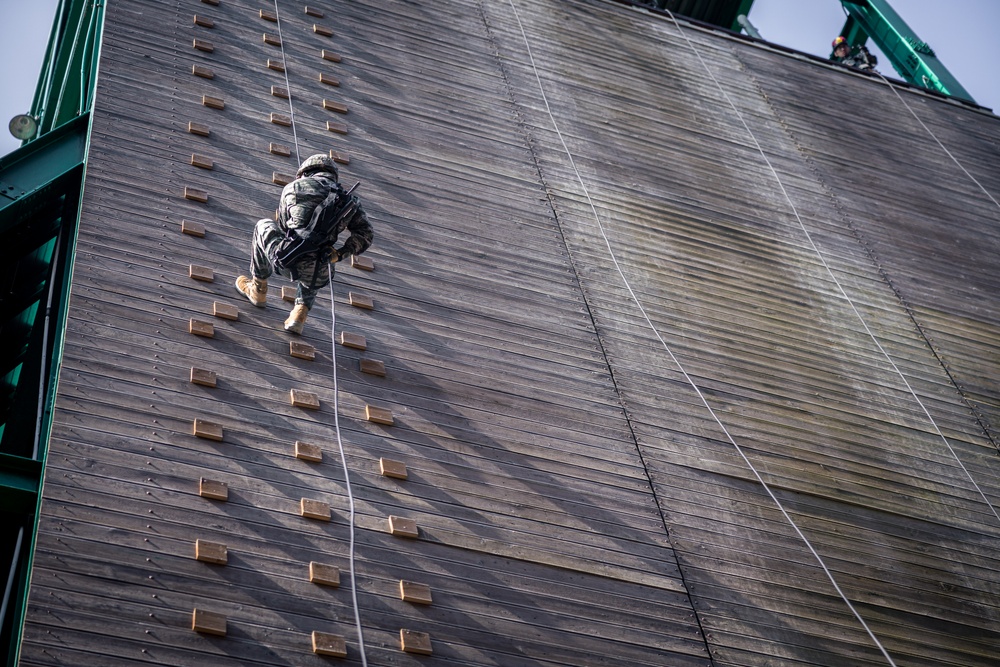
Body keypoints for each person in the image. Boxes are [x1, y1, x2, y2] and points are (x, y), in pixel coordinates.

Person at [235, 154, 373, 334]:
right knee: (319, 254)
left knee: (263, 226)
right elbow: (366, 234)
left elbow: (285, 228)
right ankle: (299, 313)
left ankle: (258, 289)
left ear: (305, 172)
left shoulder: (293, 187)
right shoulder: (349, 201)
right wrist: (340, 254)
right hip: (319, 273)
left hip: (285, 259)